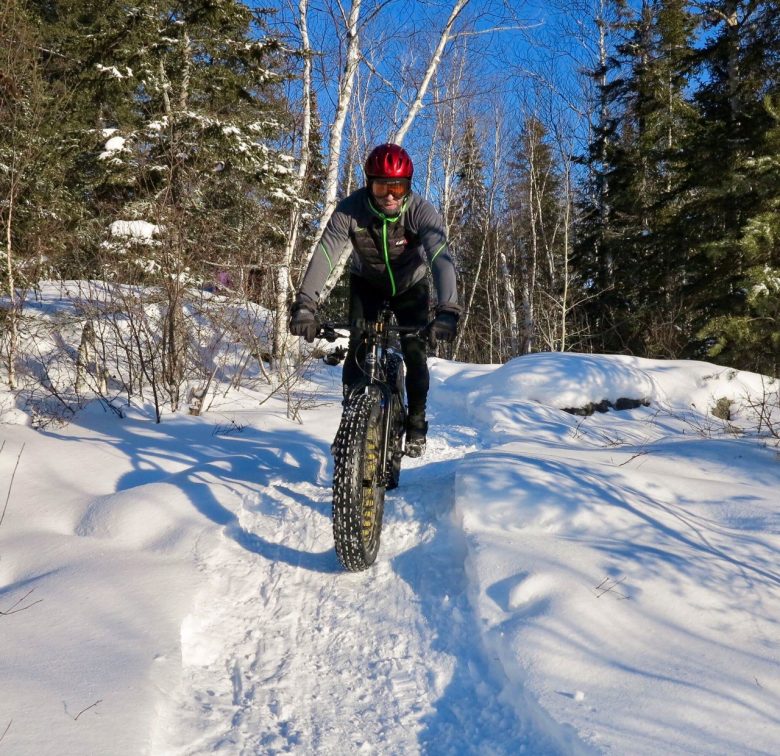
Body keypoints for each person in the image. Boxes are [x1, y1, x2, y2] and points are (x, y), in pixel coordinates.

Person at [289, 143, 460, 458]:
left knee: (414, 351)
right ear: (369, 184)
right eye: (382, 186)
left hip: (411, 286)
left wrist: (448, 309)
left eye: (397, 187)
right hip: (366, 283)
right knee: (358, 347)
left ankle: (417, 420)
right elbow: (325, 254)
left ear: (408, 186)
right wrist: (305, 305)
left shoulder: (421, 211)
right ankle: (350, 420)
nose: (390, 196)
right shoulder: (351, 210)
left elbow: (440, 257)